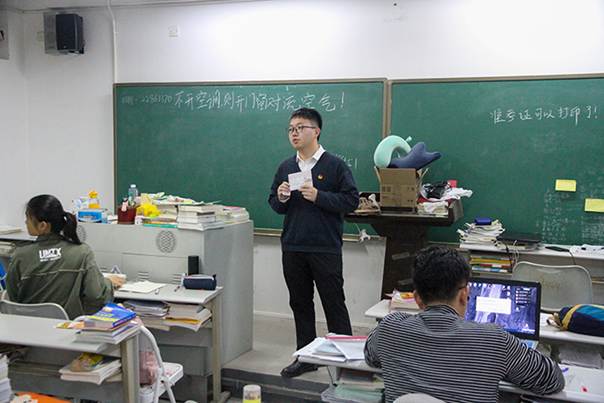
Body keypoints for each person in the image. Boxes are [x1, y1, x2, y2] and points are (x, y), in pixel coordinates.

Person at [365, 245, 565, 403]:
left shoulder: (389, 327)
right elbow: (553, 380)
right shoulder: (494, 340)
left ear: (417, 298)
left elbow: (371, 357)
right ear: (464, 295)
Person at [268, 107, 360, 378]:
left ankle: (346, 361)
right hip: (293, 245)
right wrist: (282, 197)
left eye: (300, 128)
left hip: (324, 247)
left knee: (334, 302)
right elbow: (274, 203)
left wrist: (320, 196)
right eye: (290, 129)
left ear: (316, 131)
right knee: (300, 303)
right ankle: (306, 357)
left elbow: (351, 200)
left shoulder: (335, 165)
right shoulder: (286, 167)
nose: (294, 133)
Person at [6, 194, 124, 319]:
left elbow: (13, 297)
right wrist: (108, 283)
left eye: (28, 218)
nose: (26, 222)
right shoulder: (82, 252)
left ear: (43, 225)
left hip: (27, 327)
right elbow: (96, 295)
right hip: (66, 328)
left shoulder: (20, 256)